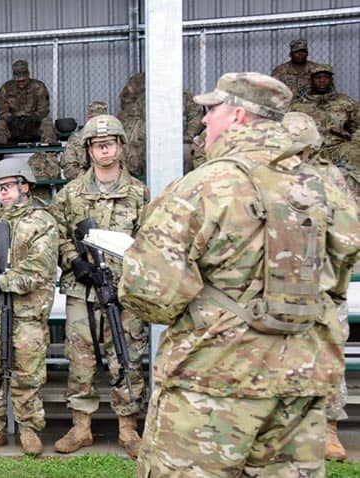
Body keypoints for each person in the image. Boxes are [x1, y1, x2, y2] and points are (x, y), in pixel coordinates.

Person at [118, 72, 360, 476]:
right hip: (303, 380)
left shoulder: (205, 186)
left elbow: (150, 294)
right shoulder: (328, 188)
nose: (203, 121)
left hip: (214, 383)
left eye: (211, 110)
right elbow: (339, 272)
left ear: (239, 116)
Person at [49, 114, 150, 457]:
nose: (103, 150)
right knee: (80, 359)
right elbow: (58, 234)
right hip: (82, 290)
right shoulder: (71, 193)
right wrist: (73, 261)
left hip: (124, 291)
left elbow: (147, 241)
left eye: (109, 143)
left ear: (121, 146)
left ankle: (128, 428)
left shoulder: (137, 193)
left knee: (127, 356)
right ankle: (81, 427)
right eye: (96, 145)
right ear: (88, 150)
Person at [0, 157, 58, 456]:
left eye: (10, 187)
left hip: (29, 313)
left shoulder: (43, 221)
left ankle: (29, 428)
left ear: (25, 186)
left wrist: (2, 280)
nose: (4, 193)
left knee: (27, 373)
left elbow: (39, 268)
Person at [282, 111, 355, 461]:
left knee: (328, 355)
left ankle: (329, 427)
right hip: (279, 287)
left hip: (321, 286)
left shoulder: (329, 178)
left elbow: (348, 236)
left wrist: (331, 282)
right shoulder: (269, 177)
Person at [117, 72, 203, 176]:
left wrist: (185, 138)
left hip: (176, 142)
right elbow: (127, 108)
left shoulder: (183, 97)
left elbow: (196, 118)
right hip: (146, 143)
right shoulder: (142, 93)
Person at [290, 64, 360, 165]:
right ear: (311, 81)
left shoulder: (345, 102)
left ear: (331, 80)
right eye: (318, 77)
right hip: (308, 150)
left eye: (326, 77)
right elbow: (284, 129)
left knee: (355, 153)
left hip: (338, 148)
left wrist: (354, 142)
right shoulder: (297, 106)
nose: (322, 81)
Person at [0, 60, 57, 145]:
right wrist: (10, 118)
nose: (21, 83)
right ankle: (0, 154)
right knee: (0, 124)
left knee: (47, 123)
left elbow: (43, 109)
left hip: (34, 125)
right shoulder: (6, 88)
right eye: (18, 81)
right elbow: (2, 109)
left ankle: (48, 154)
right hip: (13, 125)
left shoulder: (39, 87)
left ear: (28, 76)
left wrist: (34, 117)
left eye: (23, 81)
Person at [59, 100, 108, 180]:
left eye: (101, 120)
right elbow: (69, 168)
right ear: (88, 119)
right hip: (83, 184)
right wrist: (89, 178)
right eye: (94, 120)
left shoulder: (112, 139)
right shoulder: (76, 139)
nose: (97, 123)